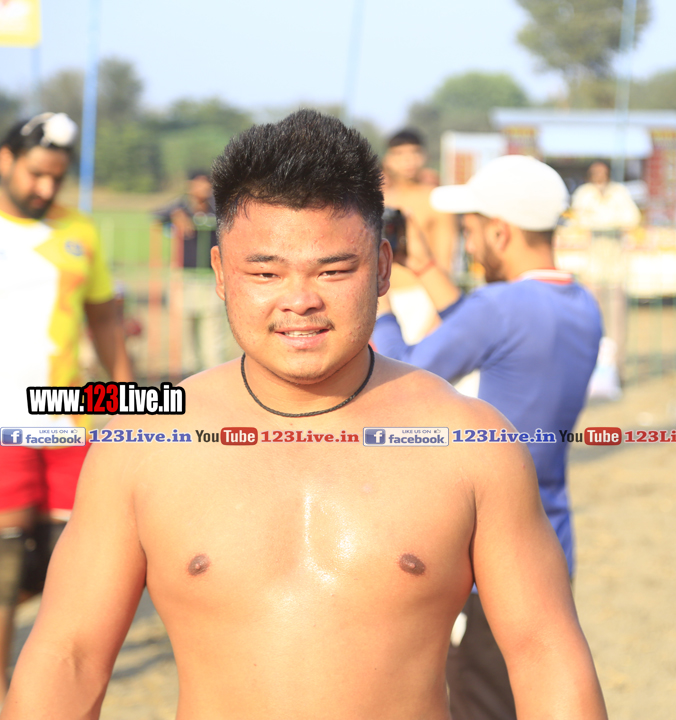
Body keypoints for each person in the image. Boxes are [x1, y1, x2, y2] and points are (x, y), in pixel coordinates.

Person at [1, 110, 607, 720]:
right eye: (265, 272)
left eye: (334, 270)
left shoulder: (470, 442)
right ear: (221, 273)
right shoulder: (145, 443)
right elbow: (69, 656)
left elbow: (544, 651)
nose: (299, 300)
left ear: (382, 268)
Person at [372, 154, 603, 720]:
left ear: (501, 232)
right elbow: (490, 332)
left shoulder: (499, 307)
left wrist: (379, 302)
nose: (469, 245)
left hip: (484, 556)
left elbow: (404, 380)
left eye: (472, 231)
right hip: (550, 539)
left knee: (481, 705)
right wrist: (427, 269)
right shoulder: (581, 304)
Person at [0, 112, 133, 704]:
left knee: (67, 567)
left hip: (65, 420)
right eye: (36, 174)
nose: (45, 187)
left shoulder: (80, 230)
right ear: (6, 159)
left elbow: (103, 318)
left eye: (56, 177)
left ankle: (53, 692)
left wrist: (129, 401)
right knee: (5, 566)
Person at [382, 129, 458, 344]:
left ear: (424, 156)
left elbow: (446, 261)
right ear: (388, 159)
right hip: (384, 297)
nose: (408, 160)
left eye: (414, 153)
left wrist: (437, 315)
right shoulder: (378, 201)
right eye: (400, 154)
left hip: (423, 296)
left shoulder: (435, 200)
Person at [154, 169, 234, 373]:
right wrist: (176, 215)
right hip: (184, 277)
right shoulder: (180, 206)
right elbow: (156, 214)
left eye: (206, 184)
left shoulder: (218, 208)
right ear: (190, 186)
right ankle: (188, 377)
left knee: (213, 332)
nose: (203, 188)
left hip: (211, 278)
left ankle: (214, 375)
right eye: (198, 184)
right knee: (184, 332)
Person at [569, 159, 640, 382]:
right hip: (592, 267)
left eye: (602, 172)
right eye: (595, 172)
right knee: (591, 319)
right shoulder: (584, 194)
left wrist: (603, 222)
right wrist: (607, 222)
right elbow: (579, 221)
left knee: (616, 321)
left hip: (616, 267)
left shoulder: (619, 193)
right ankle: (592, 369)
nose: (599, 176)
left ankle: (617, 369)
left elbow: (631, 219)